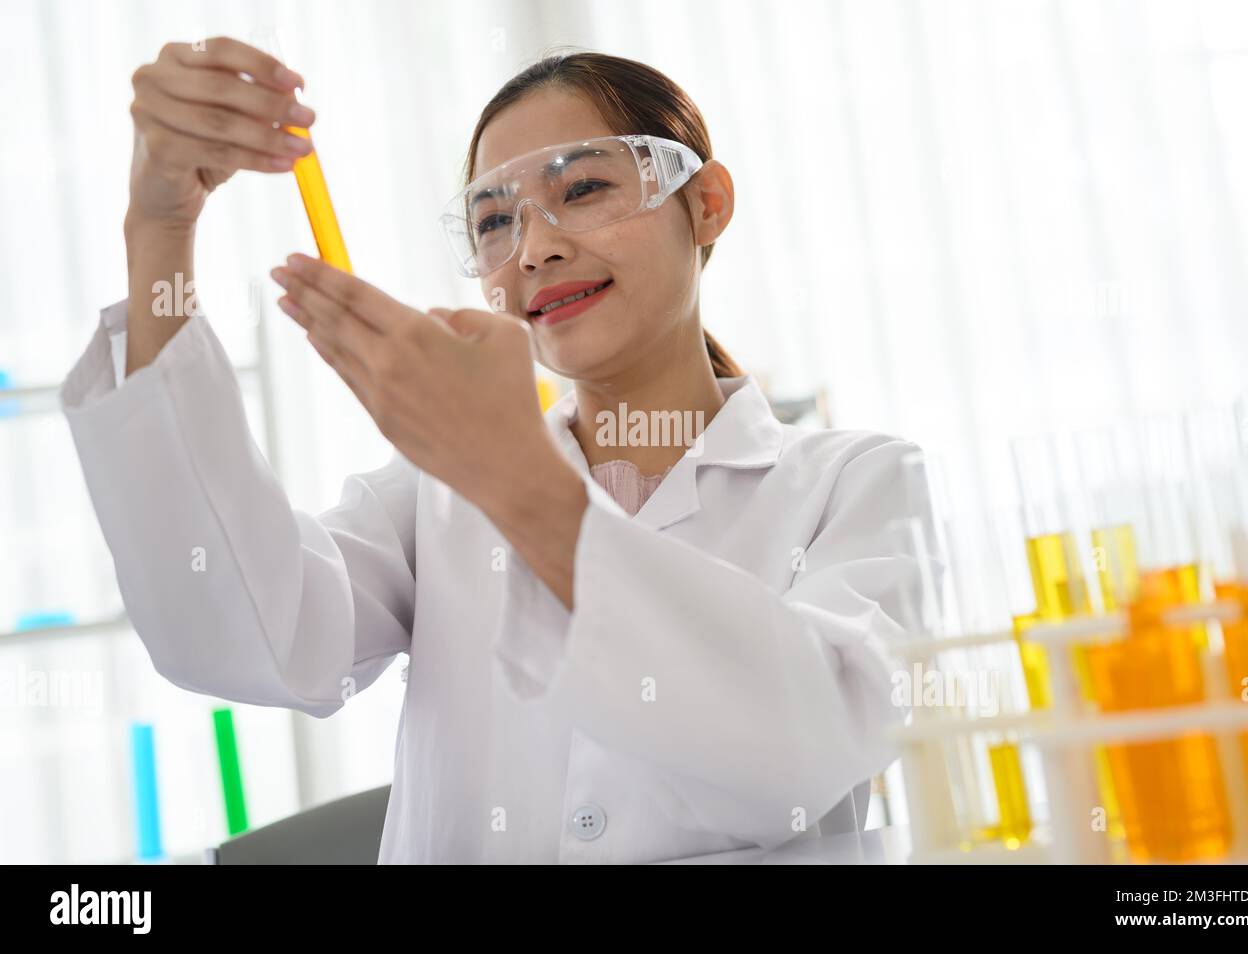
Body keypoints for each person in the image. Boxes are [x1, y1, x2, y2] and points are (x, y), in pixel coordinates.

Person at [61, 39, 934, 863]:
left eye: (584, 188)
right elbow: (239, 633)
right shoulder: (437, 494)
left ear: (705, 205)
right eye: (492, 220)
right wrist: (158, 230)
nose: (534, 248)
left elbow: (812, 745)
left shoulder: (857, 485)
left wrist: (518, 481)